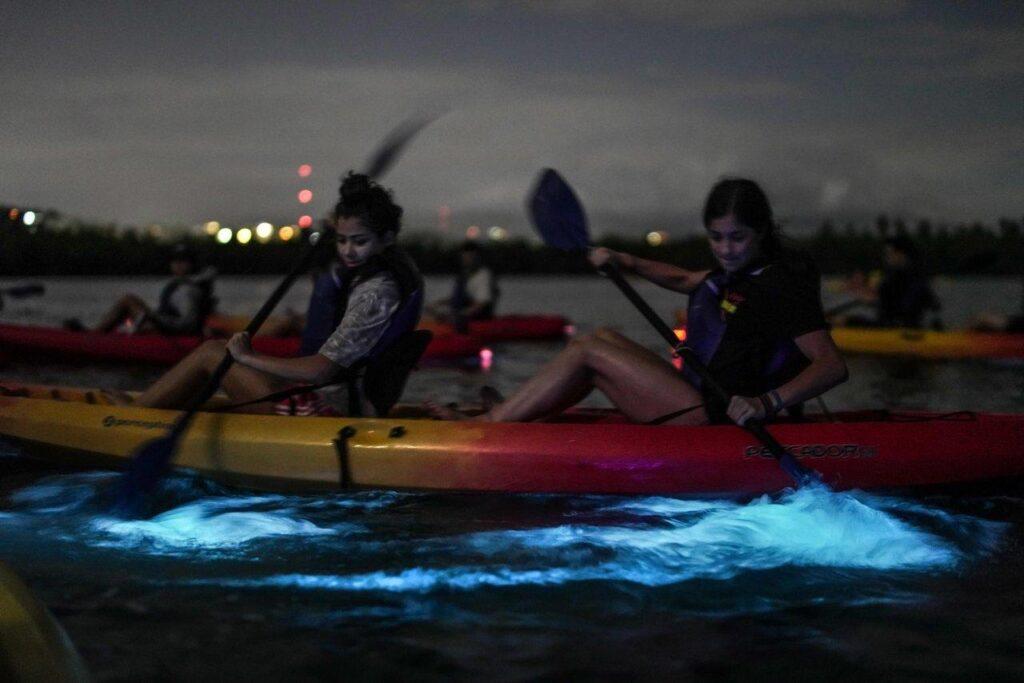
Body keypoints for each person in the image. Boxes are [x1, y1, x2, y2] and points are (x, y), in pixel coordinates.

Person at [428, 178, 847, 427]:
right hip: (697, 394)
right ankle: (520, 413)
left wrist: (766, 403)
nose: (726, 249)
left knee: (589, 350)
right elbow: (683, 278)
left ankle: (491, 424)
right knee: (605, 336)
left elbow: (831, 366)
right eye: (716, 237)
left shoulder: (781, 286)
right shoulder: (735, 274)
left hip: (716, 418)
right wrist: (623, 259)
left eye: (737, 237)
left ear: (761, 232)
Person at [114, 172, 424, 416]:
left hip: (328, 413)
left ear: (387, 238)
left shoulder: (375, 293)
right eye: (341, 240)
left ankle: (129, 420)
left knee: (212, 353)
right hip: (332, 398)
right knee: (226, 363)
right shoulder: (378, 274)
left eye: (359, 241)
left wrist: (249, 356)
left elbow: (323, 370)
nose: (347, 251)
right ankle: (153, 408)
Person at [68, 243, 217, 336]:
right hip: (164, 327)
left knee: (128, 300)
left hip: (169, 334)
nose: (178, 265)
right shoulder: (183, 285)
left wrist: (154, 318)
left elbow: (187, 325)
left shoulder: (189, 290)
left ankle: (94, 336)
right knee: (130, 300)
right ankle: (99, 333)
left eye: (183, 261)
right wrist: (153, 316)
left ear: (191, 264)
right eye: (175, 261)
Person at [831, 235, 941, 329]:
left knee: (840, 321)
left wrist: (871, 301)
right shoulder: (919, 275)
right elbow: (934, 305)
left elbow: (892, 306)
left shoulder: (896, 277)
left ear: (900, 254)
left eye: (889, 253)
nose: (886, 257)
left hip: (888, 327)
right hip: (912, 326)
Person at [426, 240, 498, 331]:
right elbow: (460, 298)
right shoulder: (465, 275)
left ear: (478, 258)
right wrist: (437, 304)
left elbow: (482, 304)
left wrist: (460, 315)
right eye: (465, 257)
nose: (467, 260)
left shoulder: (483, 275)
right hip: (459, 317)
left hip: (475, 320)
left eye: (471, 257)